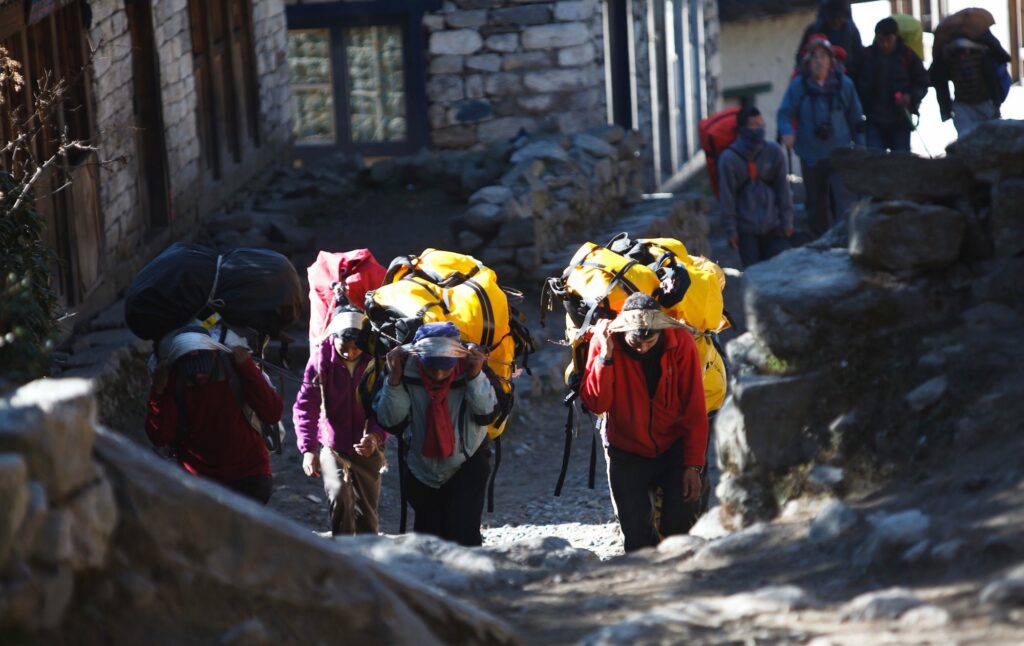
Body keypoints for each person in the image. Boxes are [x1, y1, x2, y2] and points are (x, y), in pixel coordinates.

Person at [581, 294, 709, 553]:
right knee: (637, 536)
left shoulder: (681, 342)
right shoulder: (605, 341)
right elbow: (597, 404)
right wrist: (605, 357)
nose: (642, 348)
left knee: (680, 526)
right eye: (635, 342)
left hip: (674, 447)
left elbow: (694, 407)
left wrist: (693, 465)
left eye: (650, 341)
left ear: (661, 331)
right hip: (626, 450)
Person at [373, 321, 497, 546]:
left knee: (464, 535)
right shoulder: (404, 370)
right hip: (421, 469)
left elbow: (487, 413)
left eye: (445, 367)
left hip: (467, 464)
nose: (439, 374)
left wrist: (476, 376)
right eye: (432, 367)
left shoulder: (470, 367)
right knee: (428, 539)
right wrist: (394, 381)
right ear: (419, 358)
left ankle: (468, 581)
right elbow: (391, 421)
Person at [146, 325, 283, 504]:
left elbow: (272, 412)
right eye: (192, 375)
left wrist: (247, 368)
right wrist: (157, 392)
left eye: (203, 370)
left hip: (249, 474)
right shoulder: (172, 380)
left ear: (214, 355)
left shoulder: (236, 368)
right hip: (200, 481)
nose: (198, 377)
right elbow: (159, 436)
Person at [293, 306, 387, 535]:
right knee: (338, 499)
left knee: (366, 511)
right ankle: (343, 554)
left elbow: (384, 406)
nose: (350, 353)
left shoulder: (376, 361)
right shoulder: (320, 361)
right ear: (333, 336)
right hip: (333, 447)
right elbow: (306, 405)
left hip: (368, 449)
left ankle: (369, 560)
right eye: (344, 348)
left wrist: (374, 437)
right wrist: (309, 449)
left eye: (356, 348)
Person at [778, 35, 865, 239]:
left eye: (823, 57)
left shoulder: (844, 85)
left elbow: (856, 117)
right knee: (816, 203)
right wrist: (787, 132)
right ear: (808, 62)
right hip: (811, 153)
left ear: (831, 60)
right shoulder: (799, 86)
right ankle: (821, 241)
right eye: (814, 57)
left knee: (843, 199)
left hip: (840, 152)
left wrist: (861, 147)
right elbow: (785, 113)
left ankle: (846, 239)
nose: (819, 62)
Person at [717, 106, 794, 268]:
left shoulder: (774, 152)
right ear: (742, 129)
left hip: (774, 226)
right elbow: (727, 197)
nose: (759, 129)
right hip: (745, 231)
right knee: (753, 275)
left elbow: (783, 190)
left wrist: (787, 222)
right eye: (754, 125)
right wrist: (731, 230)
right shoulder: (728, 159)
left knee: (779, 272)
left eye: (761, 124)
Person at [856, 17, 929, 152]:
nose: (884, 45)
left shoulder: (908, 56)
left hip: (900, 120)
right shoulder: (867, 56)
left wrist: (910, 96)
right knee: (875, 164)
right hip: (873, 120)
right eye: (880, 40)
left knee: (901, 164)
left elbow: (923, 82)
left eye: (888, 40)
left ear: (896, 37)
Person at [930, 31, 1011, 136]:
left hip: (984, 103)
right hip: (963, 105)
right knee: (966, 138)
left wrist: (996, 103)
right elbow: (940, 82)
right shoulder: (948, 61)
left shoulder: (983, 56)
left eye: (963, 52)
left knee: (986, 138)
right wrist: (946, 109)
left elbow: (992, 79)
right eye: (958, 52)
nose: (962, 56)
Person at [796, 0, 864, 80]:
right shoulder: (814, 30)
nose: (836, 22)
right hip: (817, 80)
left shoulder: (851, 31)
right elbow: (801, 56)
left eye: (839, 18)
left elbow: (859, 57)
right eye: (832, 18)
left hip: (845, 78)